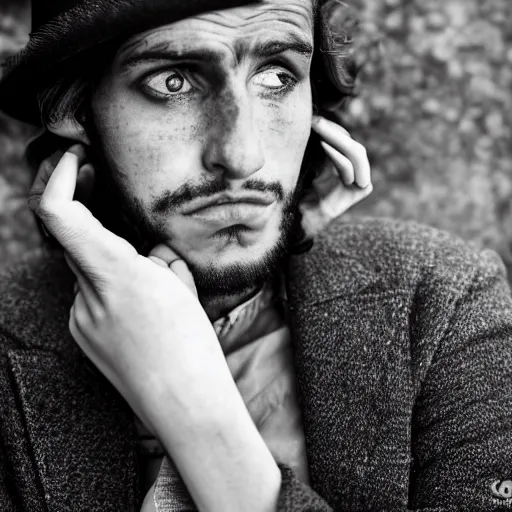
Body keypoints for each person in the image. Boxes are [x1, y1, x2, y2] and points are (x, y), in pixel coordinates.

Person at [0, 0, 512, 511]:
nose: (243, 157)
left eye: (275, 75)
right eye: (173, 82)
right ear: (72, 108)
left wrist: (194, 414)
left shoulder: (443, 298)